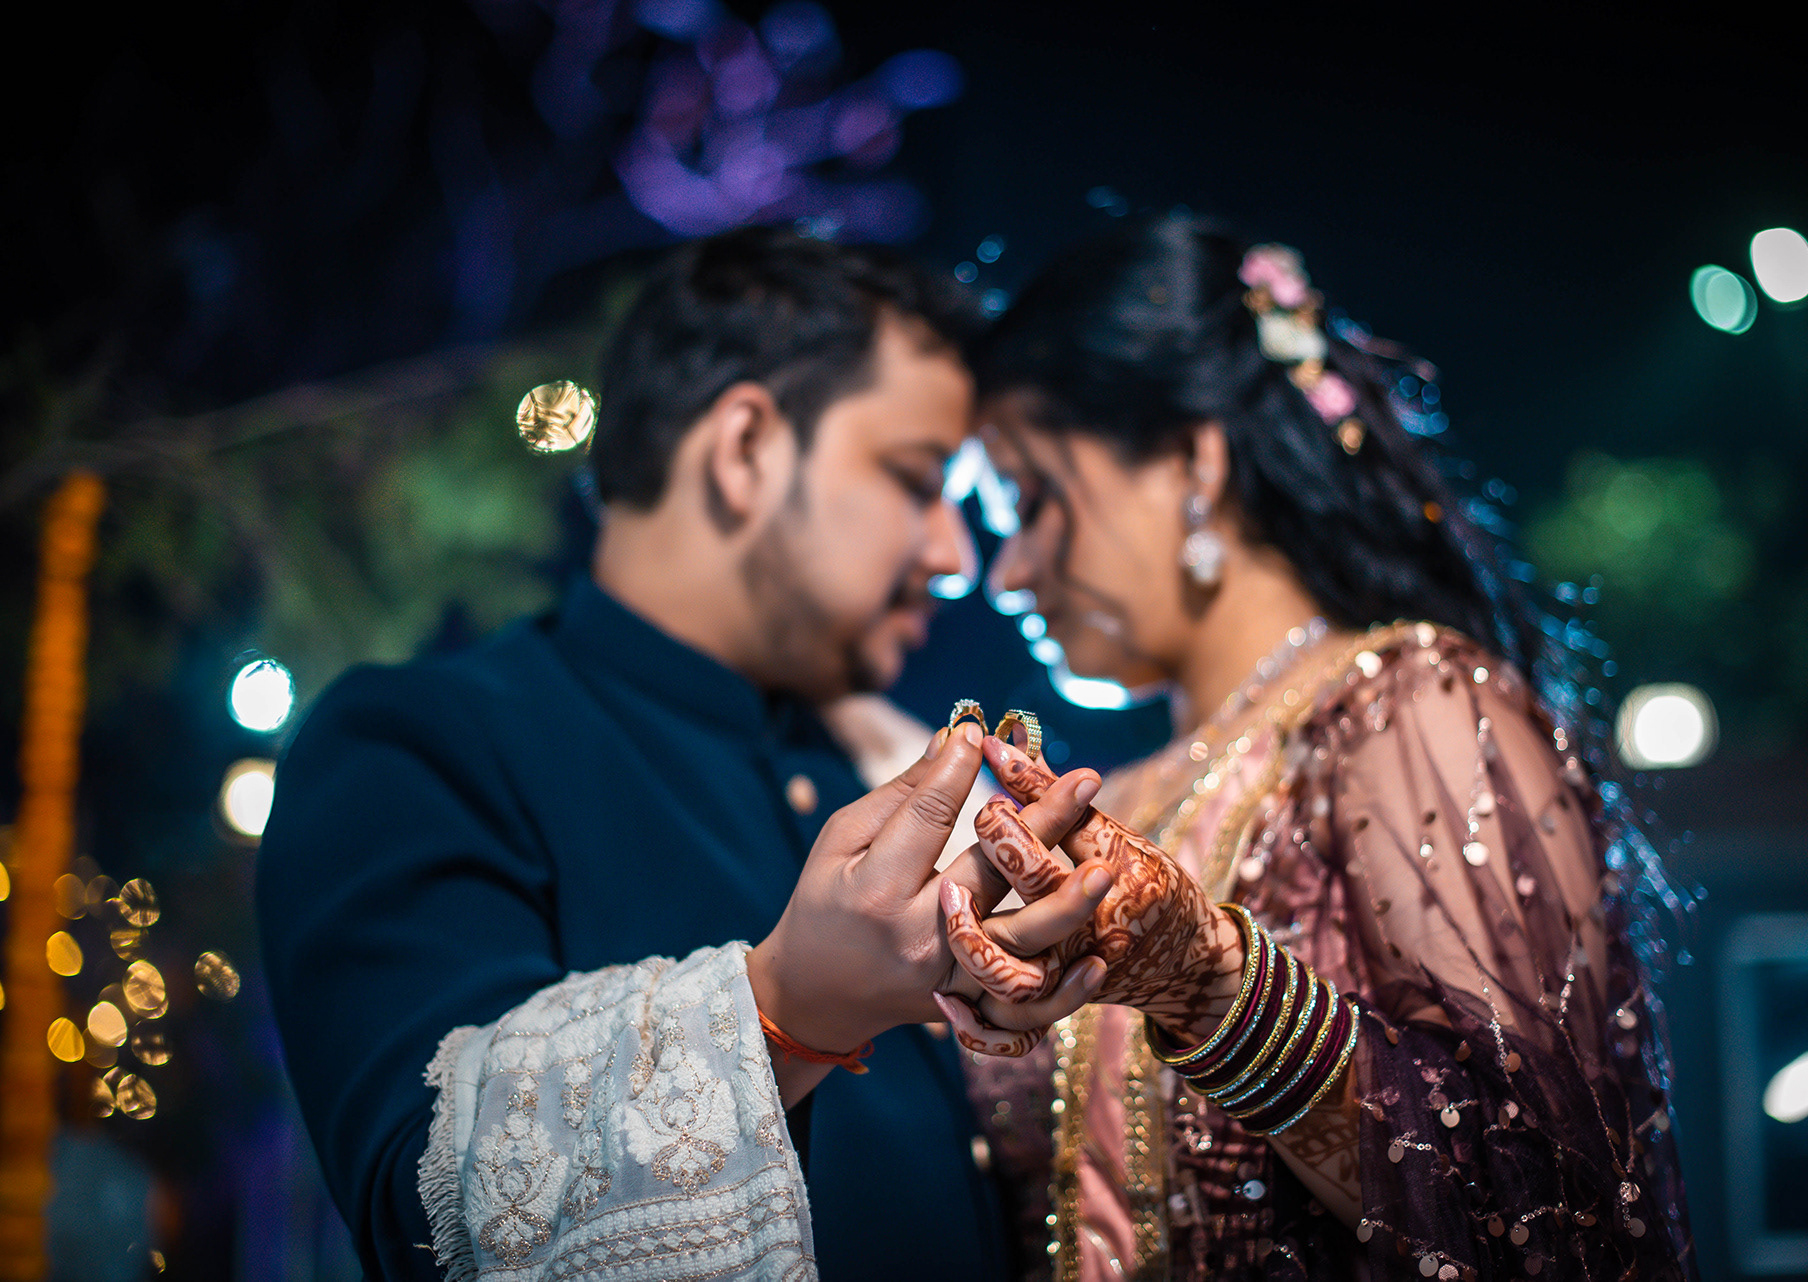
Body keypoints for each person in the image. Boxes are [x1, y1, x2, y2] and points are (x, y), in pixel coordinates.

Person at [255, 227, 1115, 1282]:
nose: (953, 557)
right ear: (745, 448)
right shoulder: (416, 743)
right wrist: (787, 1009)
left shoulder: (867, 756)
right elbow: (424, 1218)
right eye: (916, 478)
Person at [934, 214, 1694, 1280]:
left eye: (1030, 501)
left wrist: (1211, 987)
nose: (1006, 572)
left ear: (1193, 460)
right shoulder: (1120, 795)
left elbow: (1557, 1221)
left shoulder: (1412, 704)